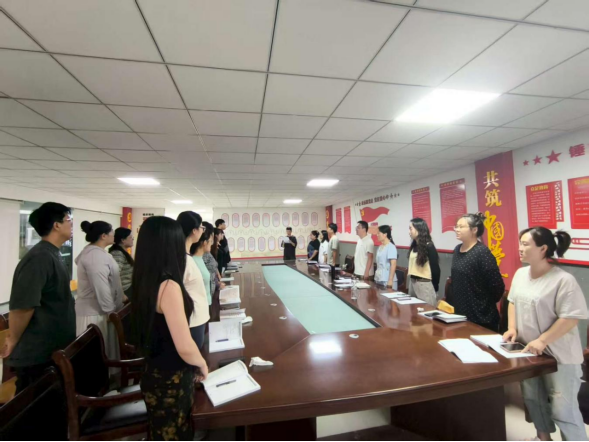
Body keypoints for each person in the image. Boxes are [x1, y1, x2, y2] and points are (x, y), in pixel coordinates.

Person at [504, 227, 588, 442]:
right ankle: (543, 438)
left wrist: (542, 340)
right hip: (528, 352)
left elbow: (571, 318)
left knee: (564, 410)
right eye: (520, 243)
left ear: (543, 249)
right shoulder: (521, 274)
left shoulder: (563, 280)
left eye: (525, 244)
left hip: (560, 356)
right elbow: (512, 301)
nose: (520, 248)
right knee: (533, 399)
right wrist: (512, 328)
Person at [132, 216, 208, 442]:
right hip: (171, 377)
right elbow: (184, 346)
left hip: (154, 370)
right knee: (175, 432)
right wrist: (202, 364)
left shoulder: (146, 279)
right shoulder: (168, 286)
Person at [2, 203, 76, 394]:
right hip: (38, 355)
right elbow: (23, 306)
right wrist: (13, 338)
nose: (72, 224)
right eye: (69, 220)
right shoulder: (39, 258)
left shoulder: (52, 253)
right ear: (56, 225)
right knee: (35, 406)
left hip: (52, 350)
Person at [76, 221, 125, 359]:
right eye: (112, 232)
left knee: (106, 352)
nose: (114, 235)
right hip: (95, 314)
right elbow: (101, 287)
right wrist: (110, 312)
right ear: (103, 236)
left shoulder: (97, 253)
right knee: (96, 356)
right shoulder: (94, 256)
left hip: (102, 312)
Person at [451, 213, 505, 332]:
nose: (457, 230)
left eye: (461, 227)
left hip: (481, 316)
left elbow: (497, 286)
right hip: (460, 313)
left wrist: (482, 302)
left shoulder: (482, 253)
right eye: (456, 226)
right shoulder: (457, 249)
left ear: (474, 230)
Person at [177, 212, 209, 350]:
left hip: (197, 317)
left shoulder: (186, 256)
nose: (203, 231)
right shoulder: (182, 260)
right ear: (194, 230)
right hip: (192, 320)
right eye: (202, 227)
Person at [408, 218, 440, 306]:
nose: (409, 232)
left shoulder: (429, 246)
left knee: (427, 310)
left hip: (424, 284)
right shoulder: (414, 245)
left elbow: (435, 269)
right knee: (413, 310)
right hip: (412, 282)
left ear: (419, 229)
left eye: (411, 229)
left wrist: (435, 288)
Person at [191, 223, 214, 308]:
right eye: (210, 241)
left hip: (206, 305)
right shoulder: (193, 261)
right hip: (200, 307)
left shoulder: (200, 259)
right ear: (204, 242)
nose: (211, 244)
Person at [200, 222, 225, 297]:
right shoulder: (202, 255)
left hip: (212, 290)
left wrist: (218, 281)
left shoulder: (207, 252)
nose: (212, 241)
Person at [109, 227, 134, 299]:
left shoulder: (123, 252)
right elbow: (114, 275)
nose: (132, 239)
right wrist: (121, 294)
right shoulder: (118, 254)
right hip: (125, 290)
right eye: (130, 237)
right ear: (123, 240)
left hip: (129, 287)